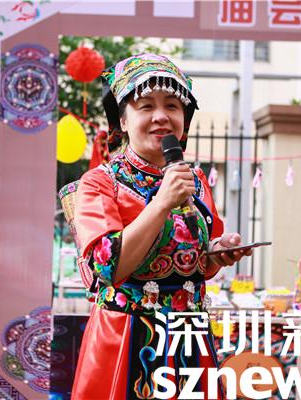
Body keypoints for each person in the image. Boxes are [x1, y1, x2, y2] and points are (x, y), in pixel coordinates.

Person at [71, 53, 251, 399]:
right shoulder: (99, 183)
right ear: (123, 120)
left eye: (172, 105)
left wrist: (218, 252)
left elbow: (198, 262)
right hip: (125, 338)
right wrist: (161, 202)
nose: (161, 116)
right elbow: (107, 268)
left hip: (188, 338)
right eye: (146, 106)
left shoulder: (195, 180)